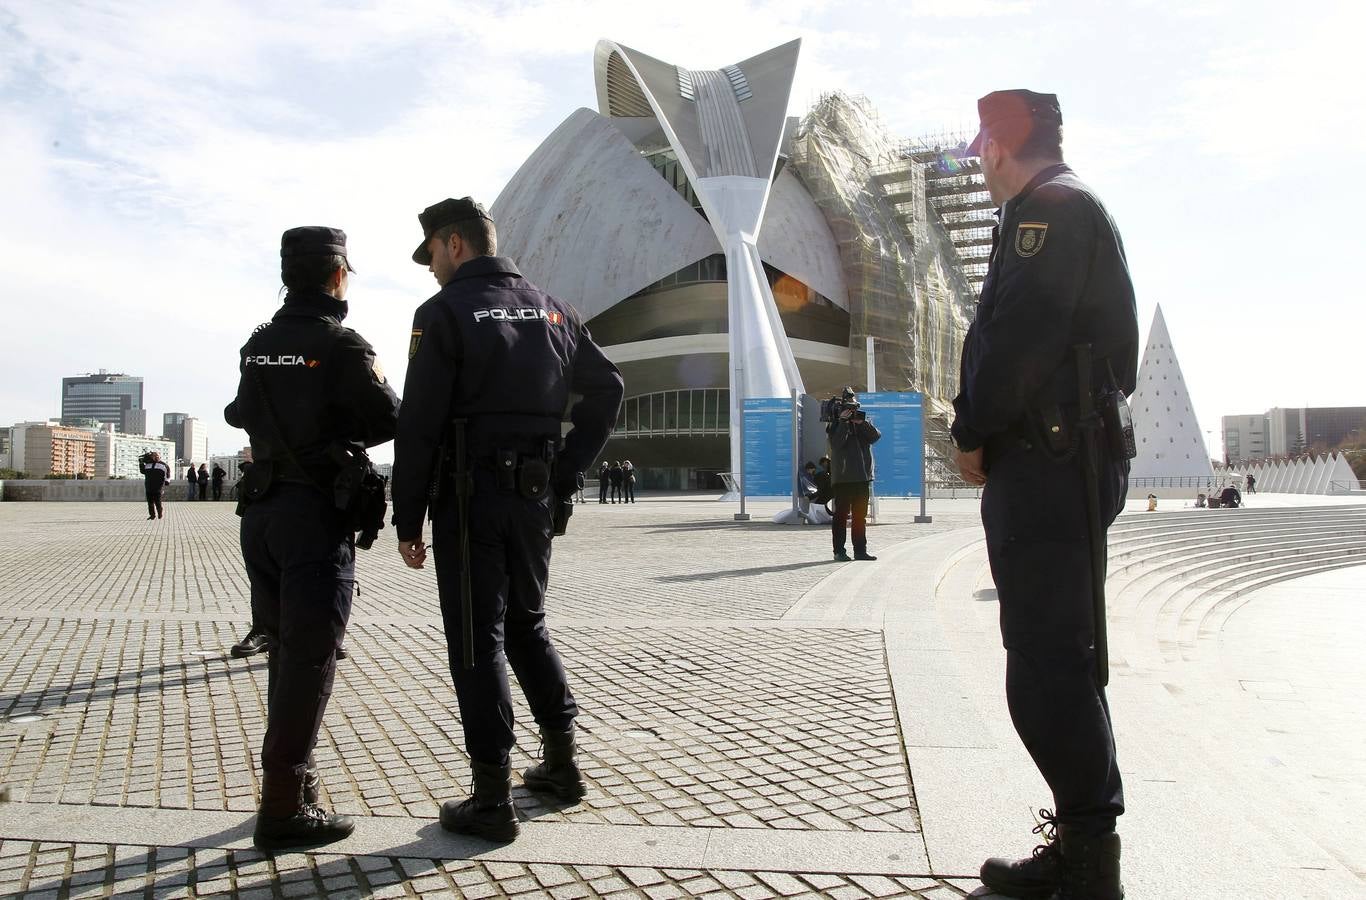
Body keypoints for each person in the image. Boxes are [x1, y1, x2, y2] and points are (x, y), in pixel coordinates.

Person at [950, 90, 1138, 900]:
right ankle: (1082, 846)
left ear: (998, 144)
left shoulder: (1049, 211)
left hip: (1048, 463)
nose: (977, 162)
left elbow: (1020, 338)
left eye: (979, 146)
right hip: (1063, 459)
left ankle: (1090, 865)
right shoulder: (1063, 207)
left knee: (1046, 665)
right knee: (1057, 658)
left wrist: (971, 431)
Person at [392, 196, 623, 842]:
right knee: (527, 625)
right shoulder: (554, 309)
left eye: (432, 254)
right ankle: (561, 766)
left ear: (455, 245)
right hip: (533, 499)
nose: (430, 269)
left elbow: (418, 424)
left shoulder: (442, 313)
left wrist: (407, 517)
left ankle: (491, 799)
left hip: (469, 501)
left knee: (476, 640)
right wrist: (566, 469)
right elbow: (609, 390)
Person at [224, 225, 399, 850]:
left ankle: (293, 785)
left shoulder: (258, 344)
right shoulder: (344, 345)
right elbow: (389, 416)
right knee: (309, 659)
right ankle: (282, 809)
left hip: (261, 518)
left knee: (284, 653)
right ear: (337, 275)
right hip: (314, 521)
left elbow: (239, 412)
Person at [827, 388, 881, 562]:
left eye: (854, 406)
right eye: (848, 407)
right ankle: (839, 551)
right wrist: (843, 422)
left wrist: (862, 423)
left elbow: (875, 437)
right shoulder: (835, 424)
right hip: (843, 478)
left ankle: (860, 550)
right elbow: (836, 445)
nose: (852, 411)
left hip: (863, 477)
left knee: (860, 516)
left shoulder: (862, 423)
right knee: (841, 516)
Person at [139, 451, 171, 520]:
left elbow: (167, 473)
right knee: (150, 502)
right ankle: (152, 515)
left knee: (158, 502)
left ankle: (160, 513)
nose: (156, 457)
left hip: (158, 486)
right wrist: (141, 463)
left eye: (157, 456)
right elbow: (142, 471)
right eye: (154, 456)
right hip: (149, 486)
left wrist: (167, 481)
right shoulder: (148, 465)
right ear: (152, 457)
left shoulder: (163, 465)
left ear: (159, 456)